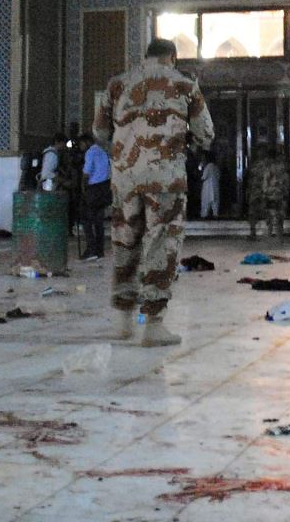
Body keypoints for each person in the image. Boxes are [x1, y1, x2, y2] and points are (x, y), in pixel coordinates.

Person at [94, 38, 213, 347]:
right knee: (161, 243)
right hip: (165, 179)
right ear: (172, 57)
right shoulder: (185, 83)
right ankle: (153, 324)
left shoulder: (117, 83)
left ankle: (122, 320)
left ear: (145, 56)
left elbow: (99, 132)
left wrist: (122, 154)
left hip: (125, 179)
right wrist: (185, 147)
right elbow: (206, 134)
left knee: (125, 242)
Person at [245, 138, 289, 238]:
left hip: (268, 191)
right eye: (259, 150)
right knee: (253, 211)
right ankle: (253, 232)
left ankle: (273, 231)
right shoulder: (256, 163)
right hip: (256, 190)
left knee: (272, 212)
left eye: (262, 150)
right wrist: (249, 189)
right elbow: (251, 177)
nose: (260, 152)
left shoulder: (272, 164)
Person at [80, 134, 111, 261]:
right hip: (105, 188)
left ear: (87, 142)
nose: (81, 147)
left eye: (82, 144)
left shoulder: (90, 152)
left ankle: (91, 249)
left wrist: (83, 188)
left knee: (86, 219)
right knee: (99, 221)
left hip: (93, 189)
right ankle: (100, 250)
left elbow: (86, 173)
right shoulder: (103, 152)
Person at [198, 149, 221, 220]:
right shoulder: (216, 167)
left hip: (207, 187)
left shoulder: (208, 167)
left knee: (206, 201)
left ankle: (204, 215)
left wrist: (200, 169)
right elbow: (219, 176)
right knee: (215, 201)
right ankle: (215, 214)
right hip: (215, 186)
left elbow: (203, 177)